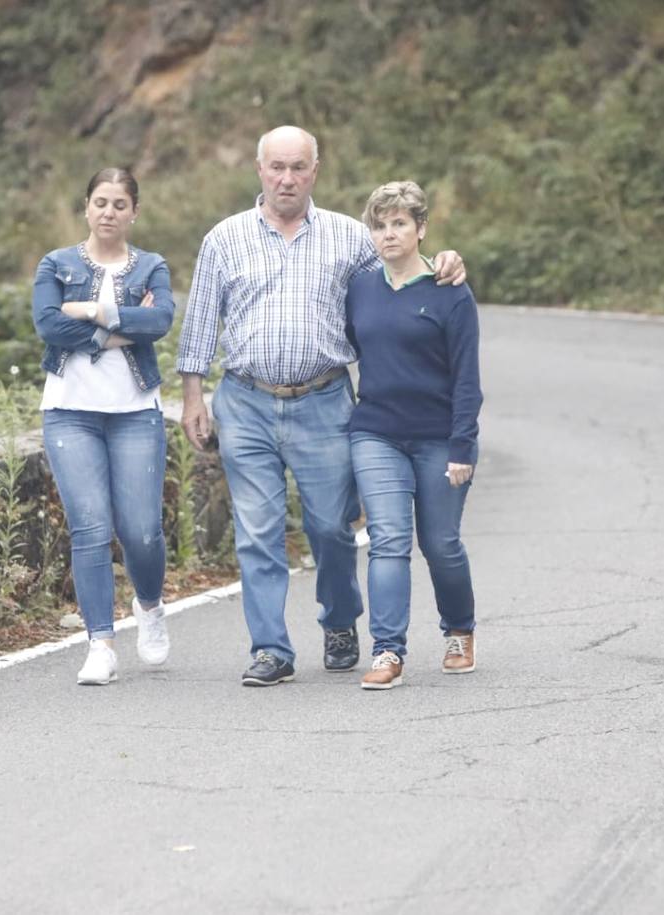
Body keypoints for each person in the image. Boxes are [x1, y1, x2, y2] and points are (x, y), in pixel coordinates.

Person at [176, 126, 465, 687]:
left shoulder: (350, 237)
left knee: (331, 527)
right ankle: (270, 649)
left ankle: (339, 620)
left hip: (325, 399)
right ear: (259, 170)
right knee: (256, 531)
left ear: (316, 170)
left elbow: (398, 281)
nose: (287, 178)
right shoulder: (224, 238)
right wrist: (193, 394)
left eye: (299, 167)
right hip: (246, 401)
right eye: (277, 167)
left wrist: (445, 263)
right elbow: (201, 320)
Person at [32, 167, 175, 685]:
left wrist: (92, 309)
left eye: (119, 204)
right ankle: (101, 643)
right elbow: (48, 323)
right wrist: (116, 331)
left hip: (136, 411)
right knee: (90, 526)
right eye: (100, 202)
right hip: (70, 410)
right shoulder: (57, 263)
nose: (109, 212)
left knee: (141, 529)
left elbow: (160, 323)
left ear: (134, 211)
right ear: (86, 208)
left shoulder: (152, 266)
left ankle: (151, 606)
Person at [344, 181, 482, 689]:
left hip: (439, 437)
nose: (389, 234)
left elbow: (467, 378)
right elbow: (357, 347)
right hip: (376, 432)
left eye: (400, 223)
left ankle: (459, 630)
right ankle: (387, 651)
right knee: (388, 540)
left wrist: (463, 446)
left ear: (421, 229)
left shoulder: (451, 291)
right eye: (380, 225)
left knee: (441, 543)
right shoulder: (360, 287)